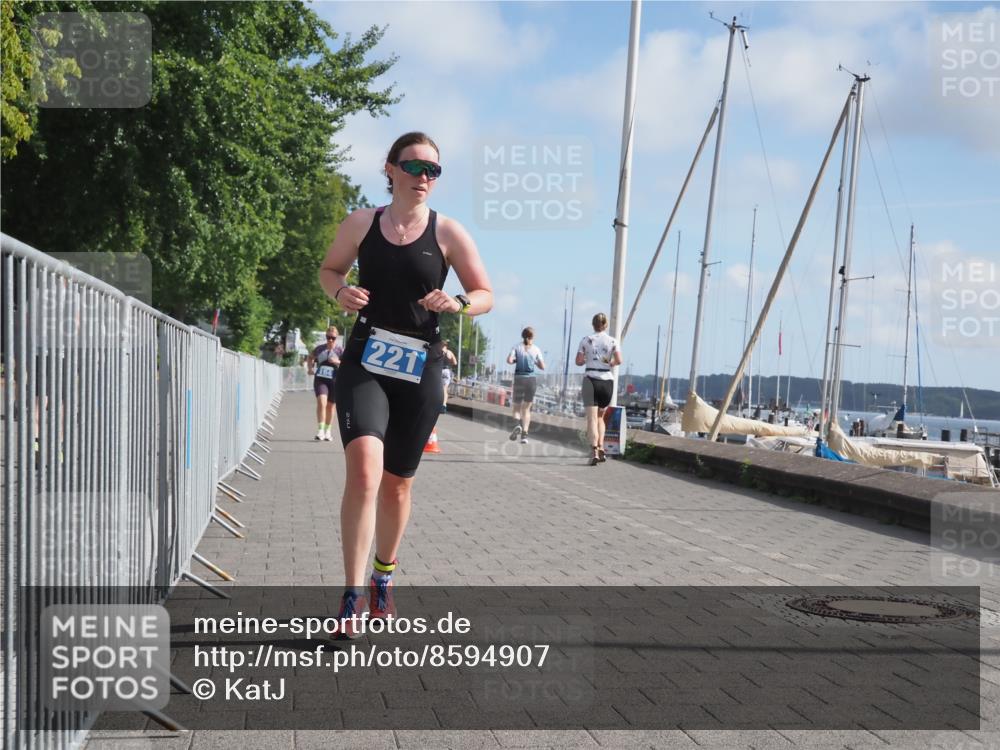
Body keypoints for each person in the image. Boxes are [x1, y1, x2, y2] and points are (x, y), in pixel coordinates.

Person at [319, 131, 493, 633]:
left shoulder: (448, 233)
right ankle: (351, 597)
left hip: (421, 366)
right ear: (390, 169)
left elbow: (484, 293)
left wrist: (458, 303)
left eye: (433, 171)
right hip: (365, 360)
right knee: (365, 473)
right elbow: (329, 270)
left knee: (397, 485)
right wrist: (340, 293)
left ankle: (383, 577)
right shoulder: (361, 222)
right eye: (415, 167)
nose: (424, 177)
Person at [576, 313, 623, 466]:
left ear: (593, 324)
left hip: (591, 380)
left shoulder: (585, 340)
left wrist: (586, 359)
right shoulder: (613, 341)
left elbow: (578, 361)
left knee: (591, 419)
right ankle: (602, 446)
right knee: (601, 418)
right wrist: (609, 363)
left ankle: (594, 450)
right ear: (606, 325)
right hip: (607, 382)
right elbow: (619, 360)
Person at [506, 327, 545, 444]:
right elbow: (543, 366)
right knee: (527, 409)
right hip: (531, 381)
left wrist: (516, 361)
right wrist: (535, 362)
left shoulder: (516, 347)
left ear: (522, 336)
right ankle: (524, 435)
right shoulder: (536, 349)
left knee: (517, 407)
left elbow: (509, 360)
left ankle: (517, 425)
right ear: (532, 337)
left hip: (519, 379)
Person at [307, 326, 343, 440]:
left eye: (332, 338)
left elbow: (347, 363)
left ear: (336, 338)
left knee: (330, 406)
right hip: (321, 379)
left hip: (334, 381)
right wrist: (310, 368)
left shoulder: (340, 350)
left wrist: (337, 361)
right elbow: (310, 357)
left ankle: (328, 431)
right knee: (321, 403)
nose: (330, 340)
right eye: (328, 337)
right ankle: (320, 430)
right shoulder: (319, 348)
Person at [440, 340, 458, 413]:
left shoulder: (439, 351)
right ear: (446, 346)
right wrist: (449, 361)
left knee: (437, 388)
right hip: (446, 371)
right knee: (445, 390)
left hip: (439, 370)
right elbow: (455, 363)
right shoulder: (449, 352)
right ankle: (443, 406)